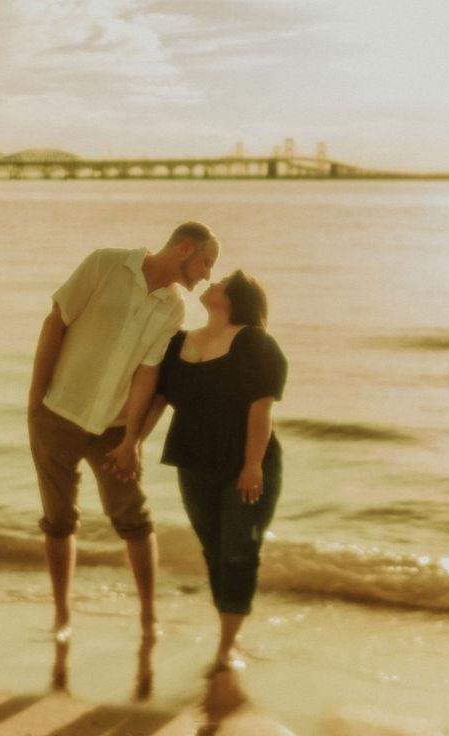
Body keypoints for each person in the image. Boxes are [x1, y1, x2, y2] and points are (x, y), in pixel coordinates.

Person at [26, 221, 219, 693]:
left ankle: (149, 618)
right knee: (58, 520)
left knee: (133, 518)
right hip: (57, 413)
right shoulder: (104, 265)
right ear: (184, 249)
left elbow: (146, 374)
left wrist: (132, 439)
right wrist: (35, 401)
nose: (207, 275)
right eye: (206, 263)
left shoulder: (173, 308)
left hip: (112, 429)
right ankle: (62, 617)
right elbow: (56, 322)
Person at [110, 270, 287, 672]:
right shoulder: (178, 343)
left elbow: (261, 409)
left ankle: (227, 644)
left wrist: (253, 465)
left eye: (221, 283)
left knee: (240, 551)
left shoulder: (256, 343)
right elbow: (157, 400)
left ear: (235, 298)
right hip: (193, 463)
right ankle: (227, 625)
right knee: (214, 549)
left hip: (247, 464)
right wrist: (132, 442)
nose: (212, 283)